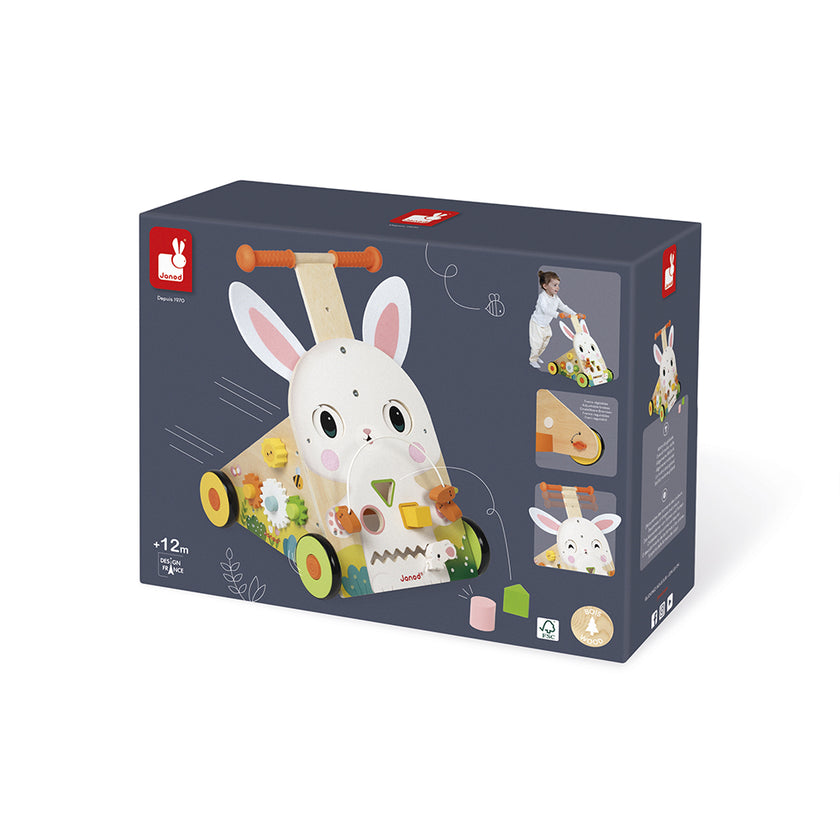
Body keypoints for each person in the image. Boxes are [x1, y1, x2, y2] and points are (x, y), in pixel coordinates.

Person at [529, 270, 577, 368]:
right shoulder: (542, 297)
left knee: (545, 342)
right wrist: (558, 314)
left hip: (545, 324)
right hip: (537, 324)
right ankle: (532, 360)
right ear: (545, 286)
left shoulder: (555, 298)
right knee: (537, 344)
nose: (558, 287)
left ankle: (537, 356)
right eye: (555, 285)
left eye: (558, 285)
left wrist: (575, 314)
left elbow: (563, 306)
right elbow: (545, 310)